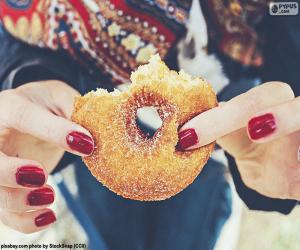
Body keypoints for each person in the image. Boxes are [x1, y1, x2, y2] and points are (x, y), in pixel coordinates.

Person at [0, 0, 299, 249]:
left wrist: (285, 111)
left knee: (185, 239)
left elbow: (288, 15)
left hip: (217, 134)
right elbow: (16, 20)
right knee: (115, 238)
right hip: (99, 136)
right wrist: (29, 76)